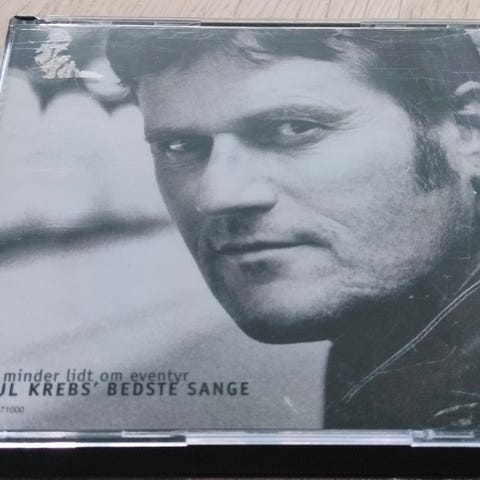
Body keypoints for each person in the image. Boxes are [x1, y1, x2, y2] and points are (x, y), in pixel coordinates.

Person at [106, 26, 480, 429]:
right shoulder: (390, 342)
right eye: (179, 147)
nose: (217, 196)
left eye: (294, 128)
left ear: (467, 130)